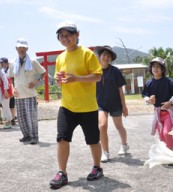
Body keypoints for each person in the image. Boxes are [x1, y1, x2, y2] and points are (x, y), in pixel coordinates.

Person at [49, 21, 103, 189]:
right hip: (67, 106)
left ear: (77, 35)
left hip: (87, 107)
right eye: (62, 36)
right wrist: (58, 80)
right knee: (62, 138)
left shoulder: (87, 54)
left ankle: (97, 167)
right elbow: (60, 82)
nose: (65, 39)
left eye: (69, 35)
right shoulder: (60, 57)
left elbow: (97, 76)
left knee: (93, 140)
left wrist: (77, 78)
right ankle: (62, 173)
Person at [95, 45, 129, 163]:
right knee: (102, 126)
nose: (106, 57)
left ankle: (124, 145)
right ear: (99, 56)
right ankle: (106, 152)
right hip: (101, 104)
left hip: (115, 103)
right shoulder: (94, 70)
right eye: (104, 54)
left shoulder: (115, 71)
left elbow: (120, 90)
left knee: (119, 126)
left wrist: (124, 106)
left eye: (108, 56)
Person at [8, 38, 46, 145]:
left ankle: (34, 137)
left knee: (31, 117)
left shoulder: (33, 61)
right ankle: (26, 135)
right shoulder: (12, 63)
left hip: (30, 94)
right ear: (16, 48)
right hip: (18, 94)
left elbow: (43, 72)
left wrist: (36, 81)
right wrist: (12, 88)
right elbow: (10, 78)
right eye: (19, 47)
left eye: (23, 47)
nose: (21, 49)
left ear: (27, 48)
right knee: (21, 117)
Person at [142, 57, 173, 150]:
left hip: (169, 112)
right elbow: (145, 95)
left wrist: (170, 102)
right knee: (161, 135)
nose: (155, 68)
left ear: (163, 69)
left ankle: (170, 154)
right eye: (153, 66)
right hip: (158, 113)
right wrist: (148, 100)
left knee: (167, 132)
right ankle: (165, 153)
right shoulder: (149, 83)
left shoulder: (169, 81)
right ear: (151, 69)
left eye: (158, 66)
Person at [0, 57, 17, 126]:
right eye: (0, 63)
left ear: (6, 62)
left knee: (11, 105)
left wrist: (13, 89)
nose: (1, 64)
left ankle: (12, 119)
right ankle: (8, 118)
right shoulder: (1, 70)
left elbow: (13, 79)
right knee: (4, 105)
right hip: (3, 90)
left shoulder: (11, 69)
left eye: (2, 62)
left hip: (10, 88)